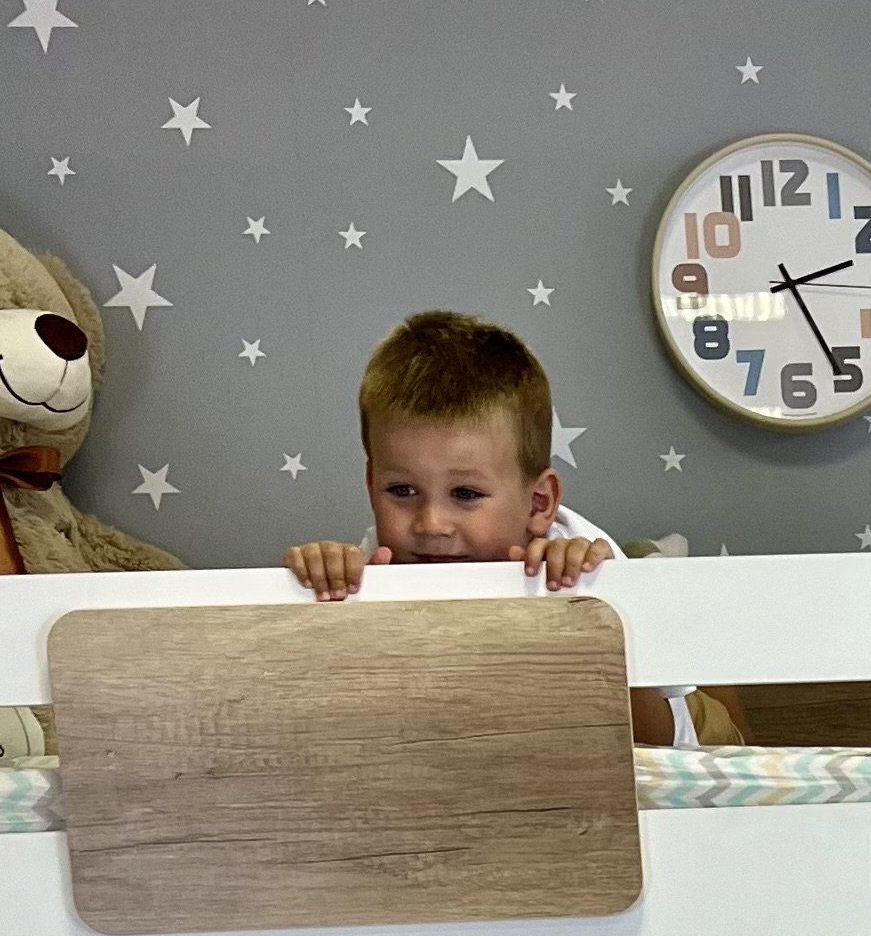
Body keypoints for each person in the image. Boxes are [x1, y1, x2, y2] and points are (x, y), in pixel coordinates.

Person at [281, 310, 735, 746]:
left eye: (465, 494)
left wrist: (590, 611)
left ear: (538, 504)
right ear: (371, 484)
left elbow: (668, 742)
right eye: (401, 490)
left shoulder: (583, 568)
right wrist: (323, 591)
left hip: (685, 720)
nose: (431, 524)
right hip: (531, 716)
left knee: (724, 712)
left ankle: (655, 561)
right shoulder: (375, 565)